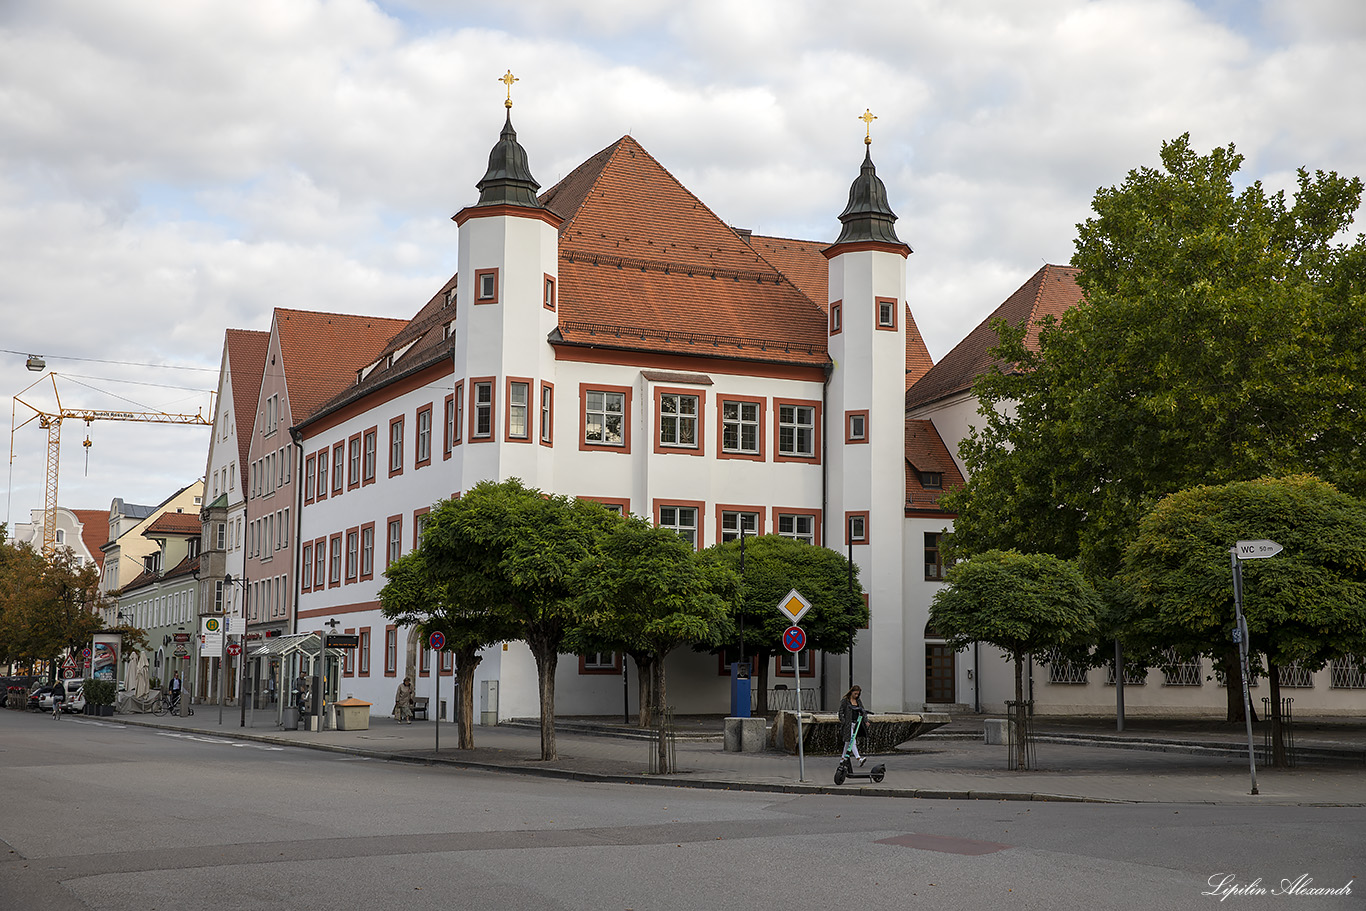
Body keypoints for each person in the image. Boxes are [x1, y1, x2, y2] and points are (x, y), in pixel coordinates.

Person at [838, 685, 871, 767]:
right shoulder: (845, 701)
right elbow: (840, 712)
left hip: (856, 724)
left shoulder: (858, 701)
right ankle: (859, 759)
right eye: (855, 694)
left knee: (848, 742)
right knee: (852, 741)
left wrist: (865, 720)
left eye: (858, 694)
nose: (856, 695)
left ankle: (843, 759)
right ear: (851, 692)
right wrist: (844, 721)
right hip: (848, 725)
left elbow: (862, 711)